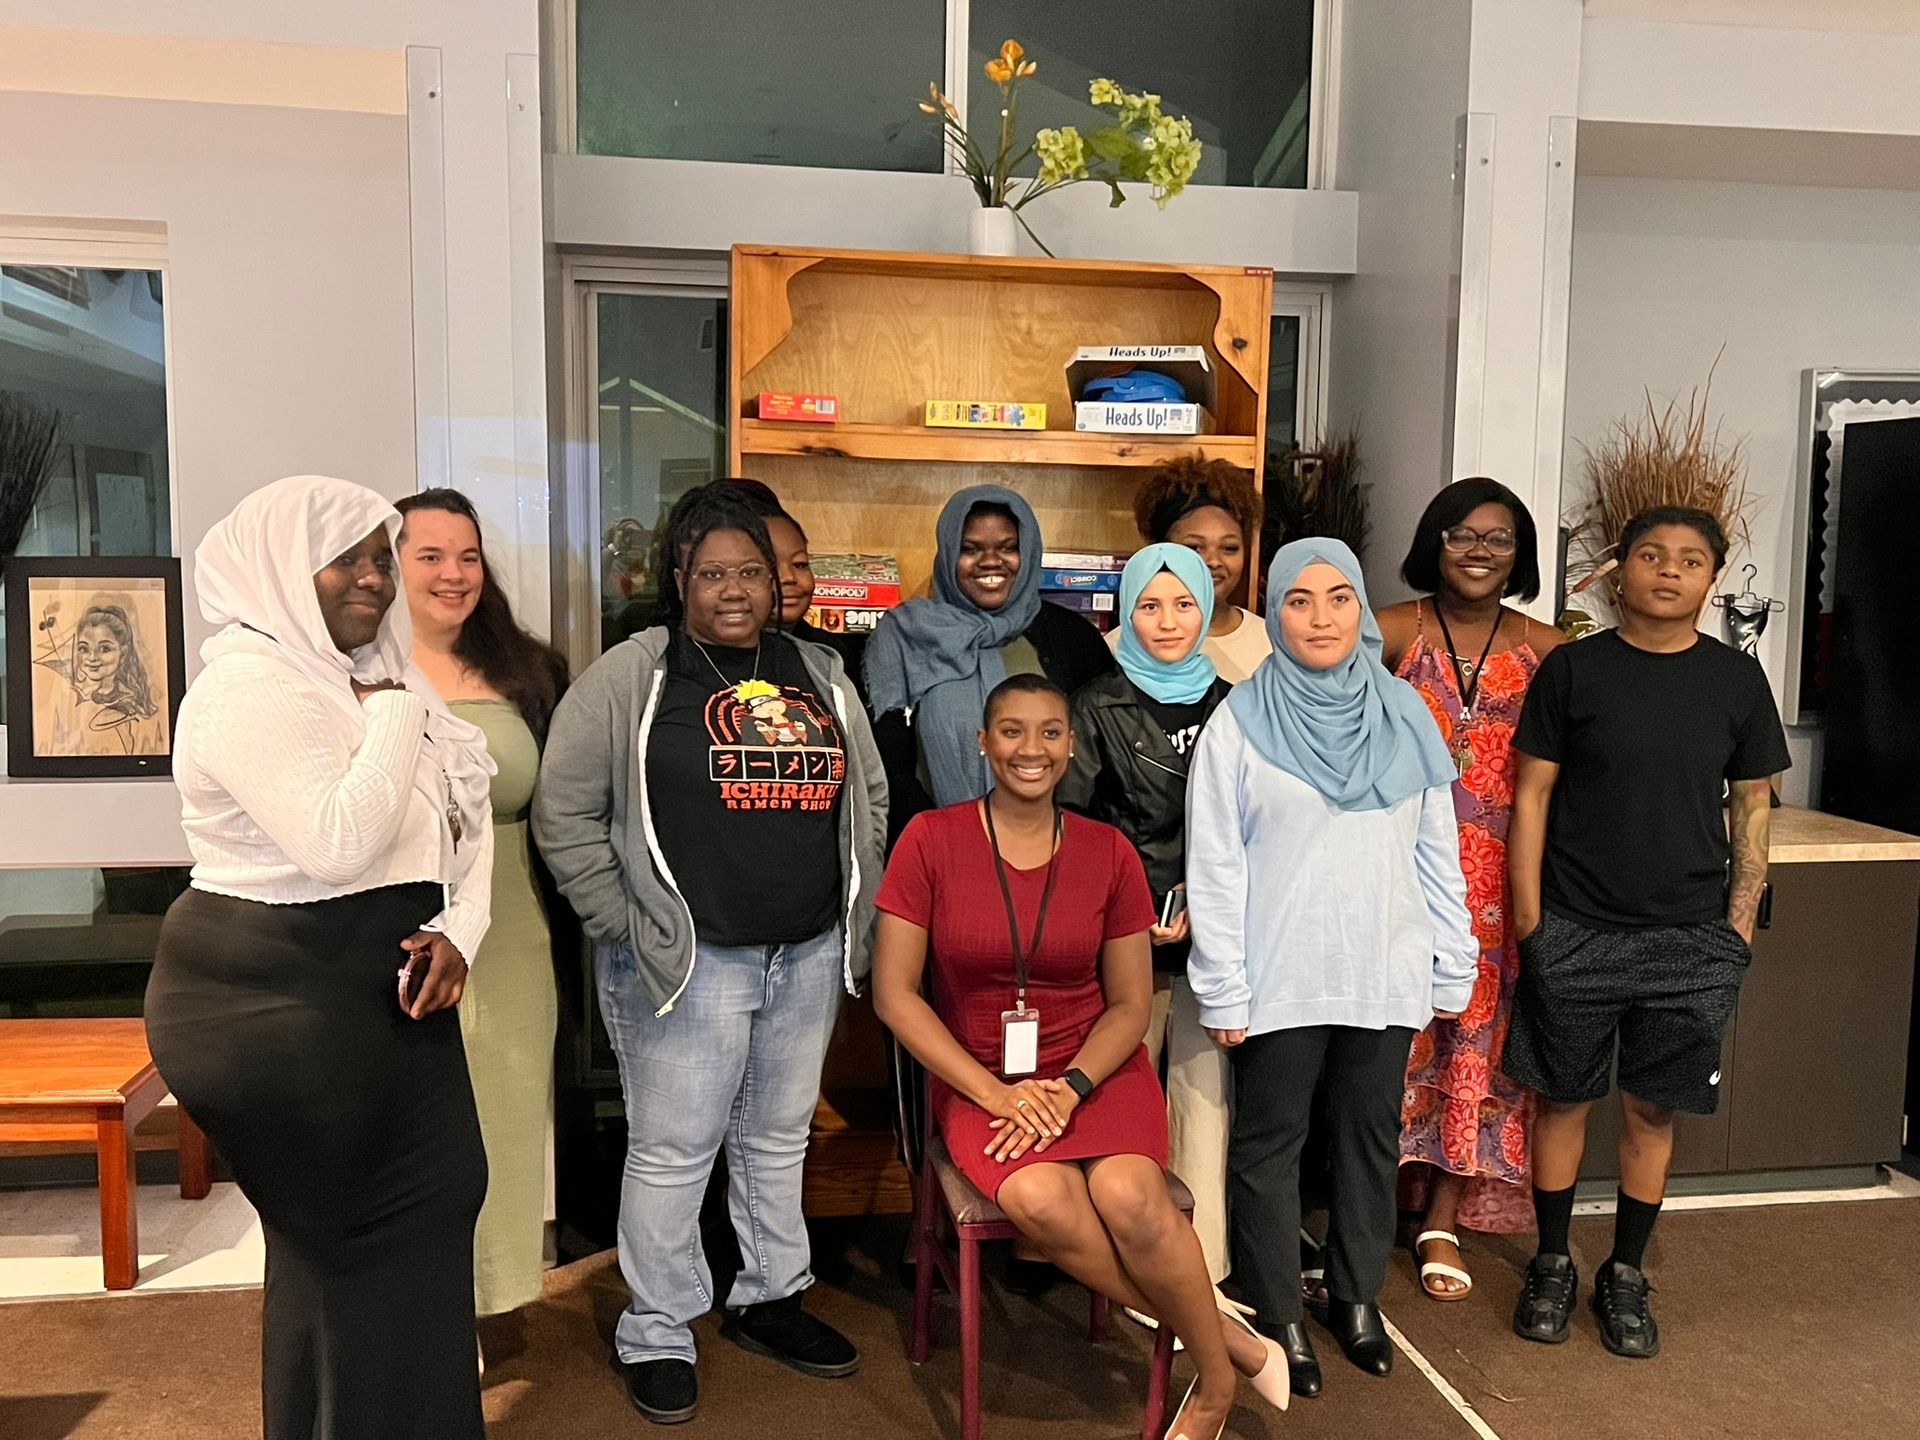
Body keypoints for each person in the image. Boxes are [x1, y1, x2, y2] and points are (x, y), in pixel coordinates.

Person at [144, 475, 496, 1440]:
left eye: (383, 558)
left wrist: (461, 930)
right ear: (278, 569)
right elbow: (338, 840)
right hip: (274, 999)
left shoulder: (372, 680)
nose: (375, 581)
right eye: (347, 558)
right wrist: (391, 714)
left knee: (409, 1219)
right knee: (355, 1241)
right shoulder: (247, 689)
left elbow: (462, 827)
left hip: (376, 992)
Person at [533, 481, 887, 1426]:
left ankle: (771, 1297)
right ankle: (657, 1326)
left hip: (805, 956)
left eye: (752, 573)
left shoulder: (818, 669)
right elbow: (564, 815)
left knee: (776, 1140)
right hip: (691, 964)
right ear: (679, 580)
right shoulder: (634, 676)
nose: (734, 589)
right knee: (674, 1151)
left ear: (775, 583)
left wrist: (850, 911)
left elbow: (872, 799)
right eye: (713, 573)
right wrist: (624, 922)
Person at [873, 674, 1289, 1440]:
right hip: (978, 1077)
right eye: (1011, 730)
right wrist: (995, 1094)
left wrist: (1069, 1087)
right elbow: (896, 995)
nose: (1031, 749)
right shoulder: (930, 840)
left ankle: (1215, 1389)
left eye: (1050, 732)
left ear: (1071, 744)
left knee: (1133, 1196)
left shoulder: (1108, 852)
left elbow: (1131, 1004)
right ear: (982, 741)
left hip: (1093, 1070)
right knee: (1039, 1199)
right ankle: (1223, 1342)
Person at [1185, 539, 1477, 1397]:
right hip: (1280, 973)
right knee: (1270, 1145)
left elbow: (1437, 853)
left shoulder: (1406, 715)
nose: (1322, 618)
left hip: (1384, 969)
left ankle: (1355, 1298)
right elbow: (1216, 866)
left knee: (1367, 1141)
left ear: (1361, 611)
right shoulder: (1238, 719)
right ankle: (1277, 1311)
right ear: (1274, 610)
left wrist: (1449, 966)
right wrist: (1225, 985)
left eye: (1340, 598)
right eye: (1301, 600)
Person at [1505, 504, 1787, 1359]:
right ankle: (1552, 1260)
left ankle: (1625, 1273)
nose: (1669, 571)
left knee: (1650, 1110)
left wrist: (1736, 926)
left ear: (1711, 579)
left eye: (1691, 560)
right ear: (1618, 570)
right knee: (1562, 1100)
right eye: (1652, 556)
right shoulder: (1573, 671)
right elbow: (1531, 798)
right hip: (1576, 927)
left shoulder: (1737, 681)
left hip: (1691, 938)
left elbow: (1754, 806)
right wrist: (1531, 924)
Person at [1376, 478, 1562, 1300]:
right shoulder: (1387, 631)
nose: (1481, 550)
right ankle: (1367, 1203)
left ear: (1520, 553)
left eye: (1500, 537)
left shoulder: (1548, 649)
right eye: (1462, 534)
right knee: (1383, 1044)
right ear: (1433, 541)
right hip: (1389, 875)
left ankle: (1441, 1216)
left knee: (1471, 1049)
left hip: (1497, 882)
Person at [396, 488, 571, 1332]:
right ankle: (417, 1314)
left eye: (467, 556)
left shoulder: (530, 673)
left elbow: (568, 808)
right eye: (429, 555)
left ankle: (484, 1300)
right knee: (409, 1130)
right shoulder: (354, 669)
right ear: (388, 566)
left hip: (510, 931)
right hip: (393, 929)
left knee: (497, 1120)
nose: (453, 574)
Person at [1058, 544, 1236, 1307]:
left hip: (1216, 934)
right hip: (1122, 941)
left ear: (1206, 608)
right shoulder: (1095, 702)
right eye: (1149, 607)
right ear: (1124, 612)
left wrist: (1215, 899)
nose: (1167, 622)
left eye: (1183, 605)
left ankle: (1203, 1273)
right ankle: (1121, 1270)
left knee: (1205, 1102)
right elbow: (1073, 826)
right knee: (1121, 1098)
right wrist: (1129, 911)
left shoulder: (1236, 700)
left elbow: (1254, 822)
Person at [866, 484, 1115, 844]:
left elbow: (1100, 768)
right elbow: (889, 770)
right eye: (970, 549)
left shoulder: (1073, 638)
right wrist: (946, 847)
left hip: (1054, 854)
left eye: (1008, 547)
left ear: (1027, 551)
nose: (990, 561)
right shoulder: (905, 636)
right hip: (936, 852)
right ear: (948, 552)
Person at [1115, 457, 1271, 683]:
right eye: (1194, 548)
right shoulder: (1118, 648)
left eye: (1229, 548)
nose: (1213, 561)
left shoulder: (1271, 644)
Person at [726, 477, 869, 703]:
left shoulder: (832, 658)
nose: (788, 578)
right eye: (768, 565)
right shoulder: (706, 658)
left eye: (801, 564)